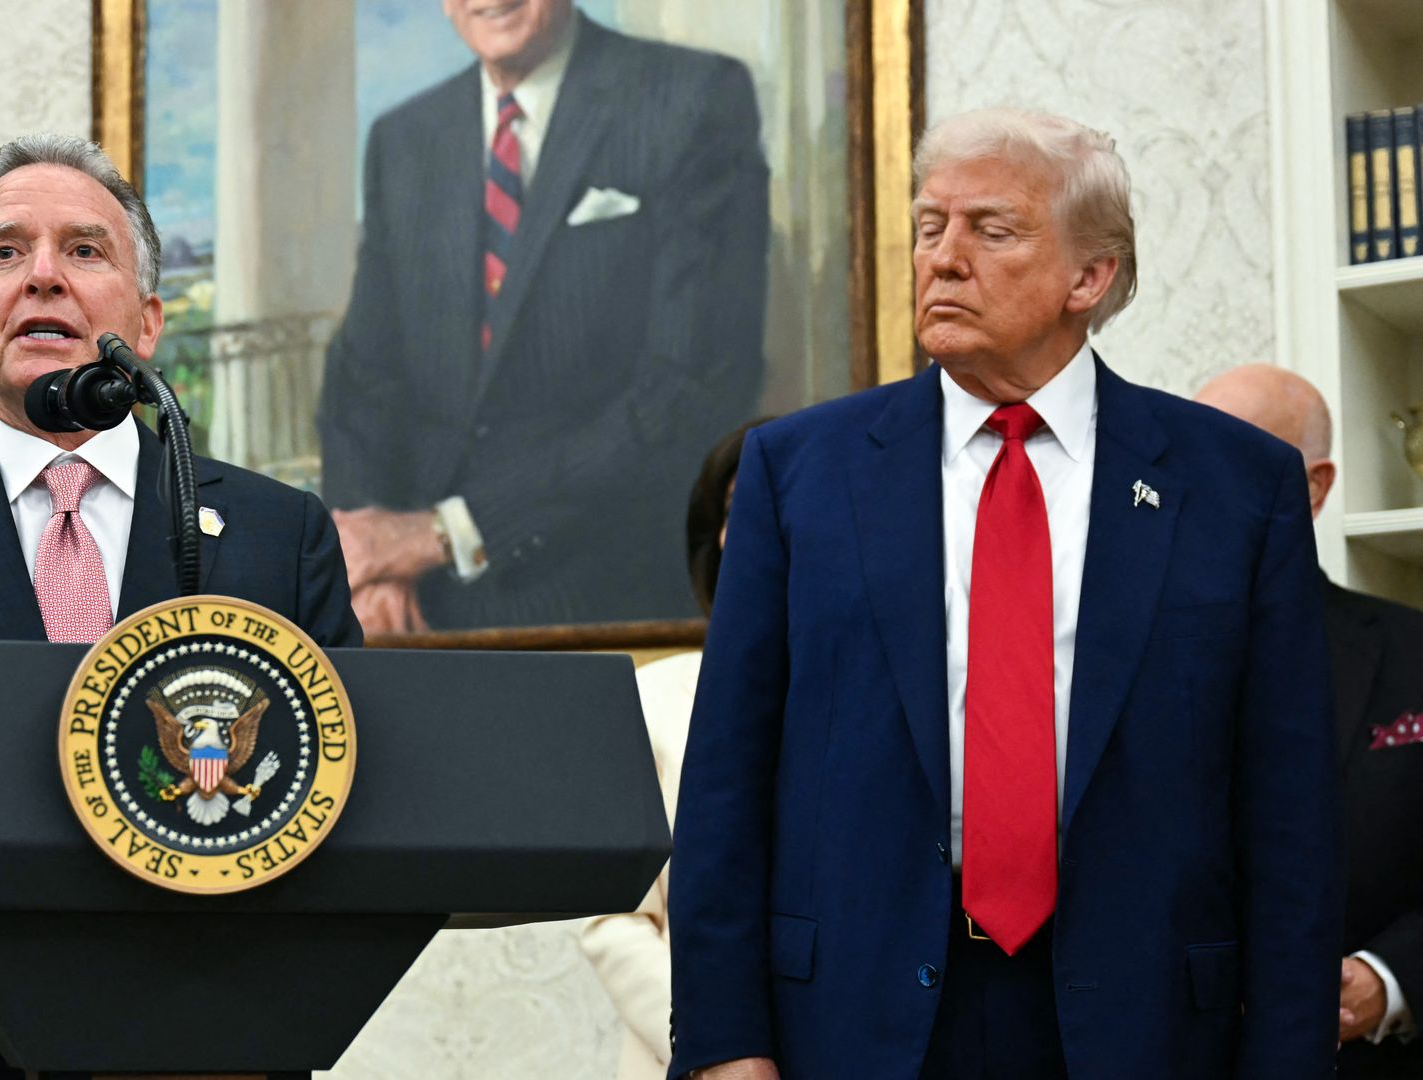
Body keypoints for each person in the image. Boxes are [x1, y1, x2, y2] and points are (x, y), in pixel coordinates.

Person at [667, 108, 1340, 1079]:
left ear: (1089, 277)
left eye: (991, 229)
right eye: (930, 225)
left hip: (1147, 1027)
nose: (943, 258)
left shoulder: (1235, 486)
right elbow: (726, 788)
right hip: (857, 1025)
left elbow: (1290, 823)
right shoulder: (798, 473)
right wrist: (727, 1052)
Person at [0, 134, 360, 1079]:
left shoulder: (278, 535)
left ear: (150, 321)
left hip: (214, 1040)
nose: (43, 275)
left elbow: (348, 802)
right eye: (6, 252)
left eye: (85, 250)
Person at [317, 0, 769, 633]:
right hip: (410, 607)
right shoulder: (405, 137)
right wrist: (367, 560)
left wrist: (446, 533)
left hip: (605, 601)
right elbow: (363, 377)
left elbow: (687, 389)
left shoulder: (693, 99)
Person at [1195, 363, 1423, 1078]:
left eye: (1236, 457)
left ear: (1314, 488)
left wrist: (1388, 979)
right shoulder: (1107, 661)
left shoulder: (1414, 652)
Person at [580, 417, 767, 1080]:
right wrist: (715, 1046)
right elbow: (613, 919)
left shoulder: (896, 699)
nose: (745, 533)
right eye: (737, 511)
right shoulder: (654, 699)